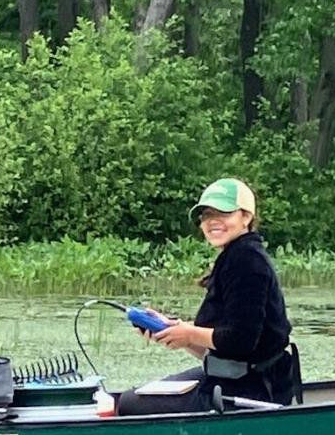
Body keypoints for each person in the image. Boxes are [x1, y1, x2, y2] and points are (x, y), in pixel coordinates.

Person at [116, 177, 297, 415]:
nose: (212, 222)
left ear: (246, 217)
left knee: (129, 404)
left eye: (223, 213)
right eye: (206, 215)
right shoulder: (235, 256)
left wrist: (189, 332)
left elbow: (240, 340)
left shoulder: (248, 261)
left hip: (254, 390)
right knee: (133, 399)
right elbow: (222, 348)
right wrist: (176, 333)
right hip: (232, 379)